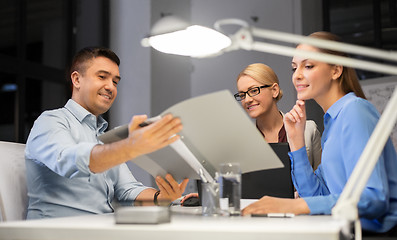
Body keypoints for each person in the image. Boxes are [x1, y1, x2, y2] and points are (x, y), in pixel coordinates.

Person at [241, 32, 397, 235]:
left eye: (308, 66)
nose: (297, 75)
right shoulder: (332, 123)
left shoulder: (355, 111)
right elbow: (316, 194)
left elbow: (373, 198)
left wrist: (294, 206)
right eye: (294, 68)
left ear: (335, 70)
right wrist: (296, 142)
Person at [25, 47, 189, 219]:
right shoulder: (50, 121)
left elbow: (128, 189)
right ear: (76, 79)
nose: (110, 87)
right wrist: (129, 147)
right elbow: (69, 161)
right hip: (56, 231)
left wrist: (162, 197)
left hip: (100, 228)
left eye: (115, 81)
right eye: (102, 77)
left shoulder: (105, 139)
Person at [235, 63, 321, 170]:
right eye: (242, 95)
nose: (247, 100)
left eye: (253, 91)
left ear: (274, 90)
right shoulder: (240, 143)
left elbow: (323, 180)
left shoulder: (308, 130)